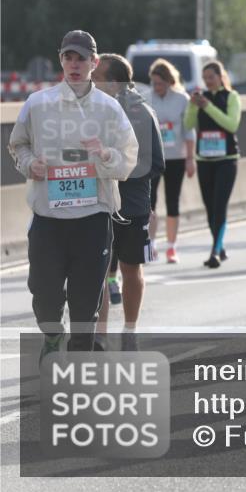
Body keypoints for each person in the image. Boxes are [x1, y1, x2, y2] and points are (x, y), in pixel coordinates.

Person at [8, 30, 138, 359]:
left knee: (85, 305)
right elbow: (17, 144)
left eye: (81, 58)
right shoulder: (38, 103)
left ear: (94, 63)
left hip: (93, 218)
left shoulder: (109, 110)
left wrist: (106, 155)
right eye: (68, 57)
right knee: (44, 294)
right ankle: (53, 335)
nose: (74, 64)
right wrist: (29, 164)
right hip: (48, 218)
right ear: (60, 60)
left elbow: (127, 161)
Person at [93, 54, 164, 351]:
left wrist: (117, 169)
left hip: (131, 204)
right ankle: (99, 335)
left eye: (96, 77)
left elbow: (155, 163)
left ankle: (130, 328)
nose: (90, 81)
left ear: (112, 82)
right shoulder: (88, 110)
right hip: (95, 202)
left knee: (131, 269)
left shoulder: (141, 112)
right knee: (97, 271)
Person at [184, 60, 241, 268]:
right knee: (209, 208)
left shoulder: (231, 97)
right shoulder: (201, 98)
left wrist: (208, 107)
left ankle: (215, 251)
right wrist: (192, 105)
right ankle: (220, 245)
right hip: (205, 159)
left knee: (220, 207)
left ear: (220, 77)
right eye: (205, 78)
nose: (208, 82)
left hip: (227, 160)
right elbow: (188, 125)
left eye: (211, 77)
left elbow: (231, 124)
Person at [147, 58, 196, 264]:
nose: (157, 88)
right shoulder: (145, 98)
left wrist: (190, 159)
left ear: (169, 82)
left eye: (161, 83)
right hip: (152, 158)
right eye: (154, 83)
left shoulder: (182, 99)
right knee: (150, 203)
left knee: (172, 201)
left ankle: (171, 247)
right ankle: (150, 244)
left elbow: (189, 131)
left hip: (176, 156)